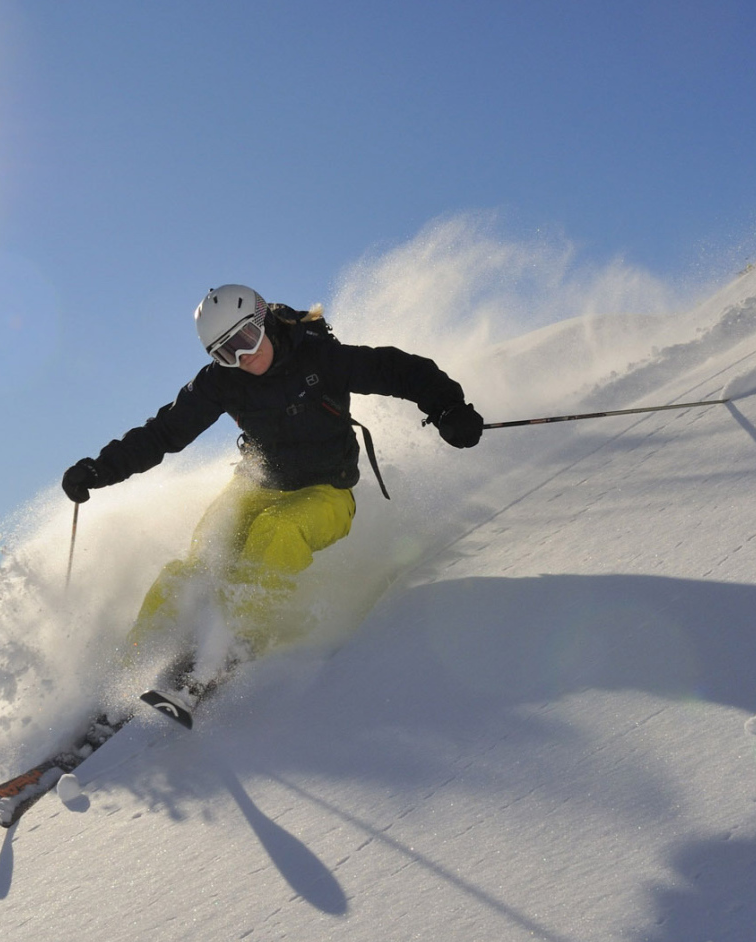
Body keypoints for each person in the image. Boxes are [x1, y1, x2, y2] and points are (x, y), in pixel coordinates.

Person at [61, 284, 482, 677]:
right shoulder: (221, 383)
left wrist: (448, 407)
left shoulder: (320, 358)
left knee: (276, 531)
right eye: (226, 353)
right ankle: (135, 664)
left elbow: (398, 370)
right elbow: (163, 432)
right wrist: (101, 469)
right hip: (258, 485)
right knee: (199, 564)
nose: (242, 359)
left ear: (263, 322)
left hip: (327, 492)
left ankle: (239, 642)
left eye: (244, 341)